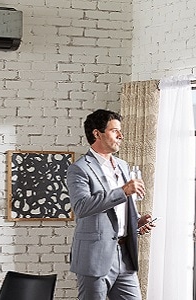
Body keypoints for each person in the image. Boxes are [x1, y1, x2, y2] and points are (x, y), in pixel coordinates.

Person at [67, 109, 155, 300]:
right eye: (115, 131)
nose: (121, 136)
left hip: (124, 254)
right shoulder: (79, 169)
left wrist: (135, 224)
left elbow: (118, 211)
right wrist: (123, 191)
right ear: (97, 134)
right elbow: (82, 207)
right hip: (94, 257)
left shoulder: (123, 165)